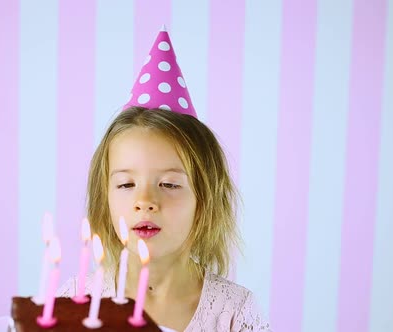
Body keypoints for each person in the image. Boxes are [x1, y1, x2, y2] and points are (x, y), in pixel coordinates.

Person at [57, 27, 272, 332]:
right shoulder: (76, 301)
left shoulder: (234, 312)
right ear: (104, 199)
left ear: (204, 201)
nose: (145, 201)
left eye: (170, 184)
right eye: (126, 185)